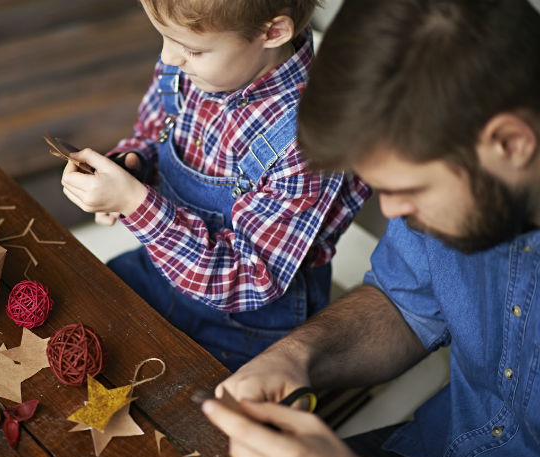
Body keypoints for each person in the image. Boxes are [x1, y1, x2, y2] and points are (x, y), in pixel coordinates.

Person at [201, 0, 540, 457]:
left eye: (411, 189)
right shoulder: (466, 178)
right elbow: (402, 304)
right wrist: (295, 358)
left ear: (511, 143)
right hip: (431, 452)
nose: (391, 211)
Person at [60, 0, 370, 371]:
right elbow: (152, 133)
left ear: (272, 33)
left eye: (192, 49)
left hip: (249, 328)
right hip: (163, 272)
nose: (169, 57)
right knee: (75, 308)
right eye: (163, 37)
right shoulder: (191, 66)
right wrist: (129, 167)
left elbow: (254, 277)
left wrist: (135, 205)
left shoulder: (310, 140)